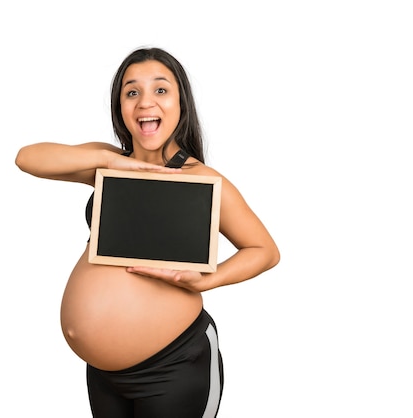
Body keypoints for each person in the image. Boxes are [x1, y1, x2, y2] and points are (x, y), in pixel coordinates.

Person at [15, 47, 280, 418]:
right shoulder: (106, 162)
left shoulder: (200, 179)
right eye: (131, 91)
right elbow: (27, 158)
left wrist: (209, 279)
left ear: (180, 103)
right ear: (120, 106)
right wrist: (110, 161)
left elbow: (264, 250)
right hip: (106, 374)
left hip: (174, 367)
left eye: (160, 90)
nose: (145, 102)